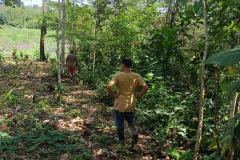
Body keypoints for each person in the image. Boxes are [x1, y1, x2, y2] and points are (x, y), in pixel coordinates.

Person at [107, 58, 148, 148]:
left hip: (120, 103)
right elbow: (145, 87)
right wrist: (139, 95)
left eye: (121, 64)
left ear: (123, 65)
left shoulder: (118, 75)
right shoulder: (136, 76)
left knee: (119, 123)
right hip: (131, 103)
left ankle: (122, 142)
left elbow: (109, 86)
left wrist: (114, 96)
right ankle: (134, 138)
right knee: (131, 122)